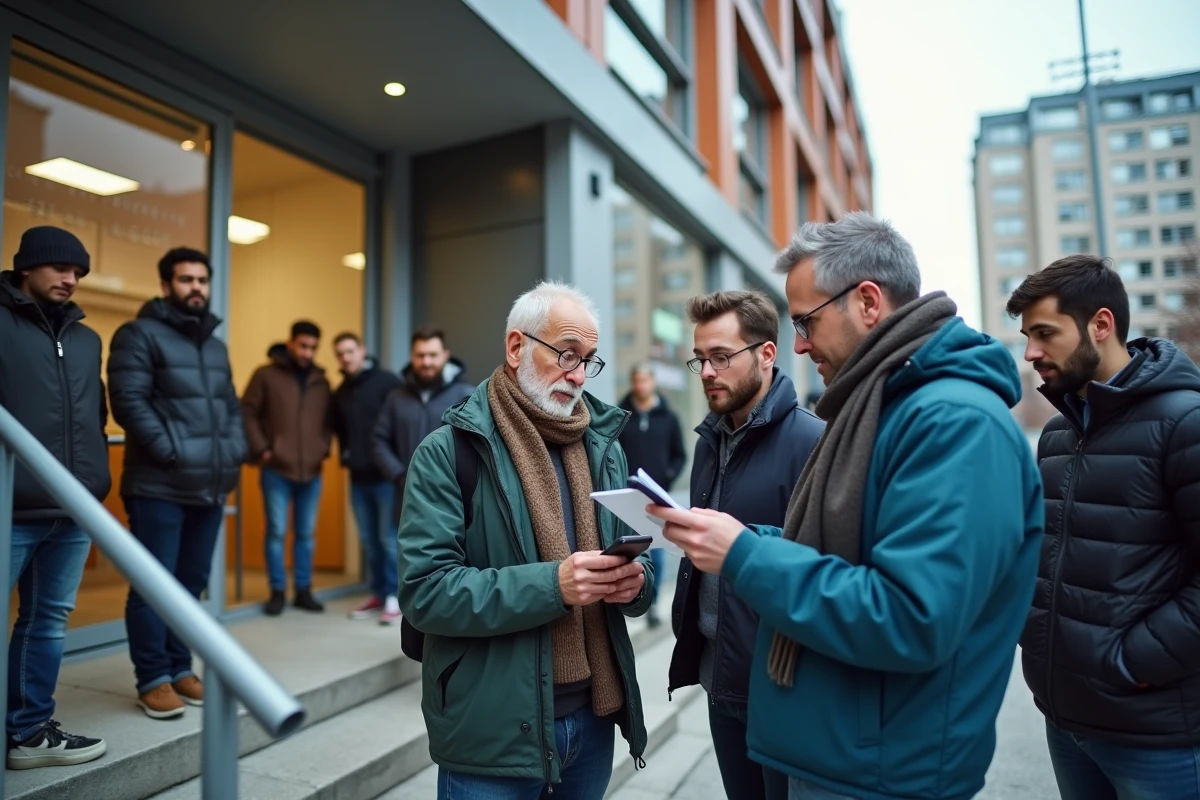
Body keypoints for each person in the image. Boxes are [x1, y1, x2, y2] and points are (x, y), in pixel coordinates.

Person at [649, 212, 1044, 800]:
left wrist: (746, 555)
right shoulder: (885, 408)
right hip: (851, 754)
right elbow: (854, 556)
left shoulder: (952, 422)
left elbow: (910, 617)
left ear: (866, 302)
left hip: (887, 772)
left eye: (806, 321)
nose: (800, 345)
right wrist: (746, 540)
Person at [397, 281, 653, 799]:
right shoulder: (448, 452)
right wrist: (553, 585)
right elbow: (426, 592)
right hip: (492, 732)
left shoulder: (605, 449)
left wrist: (636, 584)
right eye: (566, 354)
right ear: (516, 347)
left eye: (590, 361)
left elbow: (634, 564)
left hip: (593, 720)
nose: (579, 375)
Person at [1006, 256, 1200, 800]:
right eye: (1026, 336)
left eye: (1045, 333)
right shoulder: (1057, 437)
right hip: (1065, 720)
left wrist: (1131, 661)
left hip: (1155, 737)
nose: (1031, 353)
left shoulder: (1185, 423)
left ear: (1101, 324)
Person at [668, 290, 823, 800]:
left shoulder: (813, 442)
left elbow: (823, 568)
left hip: (783, 684)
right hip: (720, 676)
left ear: (766, 354)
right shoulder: (708, 441)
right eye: (700, 359)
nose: (708, 371)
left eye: (721, 357)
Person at [106, 247, 246, 720]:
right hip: (157, 484)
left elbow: (230, 408)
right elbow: (128, 401)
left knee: (189, 584)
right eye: (186, 280)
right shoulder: (139, 334)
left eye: (202, 280)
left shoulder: (214, 345)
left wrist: (231, 454)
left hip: (208, 483)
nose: (196, 289)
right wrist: (173, 452)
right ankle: (152, 678)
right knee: (153, 585)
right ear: (166, 285)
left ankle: (179, 667)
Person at [0, 226, 108, 768]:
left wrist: (95, 483)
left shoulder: (88, 338)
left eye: (79, 272)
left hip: (73, 508)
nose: (71, 279)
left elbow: (96, 416)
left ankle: (27, 732)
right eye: (61, 268)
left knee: (47, 621)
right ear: (26, 267)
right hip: (9, 506)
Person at [242, 320, 332, 616]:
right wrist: (262, 449)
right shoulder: (266, 375)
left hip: (312, 471)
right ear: (291, 342)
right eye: (303, 345)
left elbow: (327, 422)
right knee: (277, 531)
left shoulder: (321, 381)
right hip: (276, 469)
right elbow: (248, 412)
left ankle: (303, 590)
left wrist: (322, 449)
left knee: (306, 533)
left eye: (313, 348)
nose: (307, 353)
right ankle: (277, 590)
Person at [329, 332, 402, 624]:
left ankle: (395, 598)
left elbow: (397, 425)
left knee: (388, 540)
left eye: (350, 351)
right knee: (369, 541)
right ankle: (378, 593)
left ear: (362, 350)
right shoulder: (341, 392)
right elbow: (341, 431)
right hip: (357, 478)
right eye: (340, 353)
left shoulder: (388, 383)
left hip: (386, 478)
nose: (346, 357)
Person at [371, 325, 472, 529]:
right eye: (420, 355)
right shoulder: (396, 397)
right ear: (412, 356)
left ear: (445, 355)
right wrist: (399, 474)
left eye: (432, 355)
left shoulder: (467, 395)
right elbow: (378, 439)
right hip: (406, 502)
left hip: (454, 503)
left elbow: (479, 444)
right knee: (400, 555)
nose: (426, 362)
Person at [616, 364, 684, 628]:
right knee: (625, 546)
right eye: (636, 380)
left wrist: (667, 475)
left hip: (656, 496)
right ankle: (626, 600)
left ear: (652, 382)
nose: (640, 385)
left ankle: (652, 603)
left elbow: (680, 454)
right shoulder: (622, 415)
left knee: (655, 548)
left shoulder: (669, 417)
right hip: (625, 493)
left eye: (645, 380)